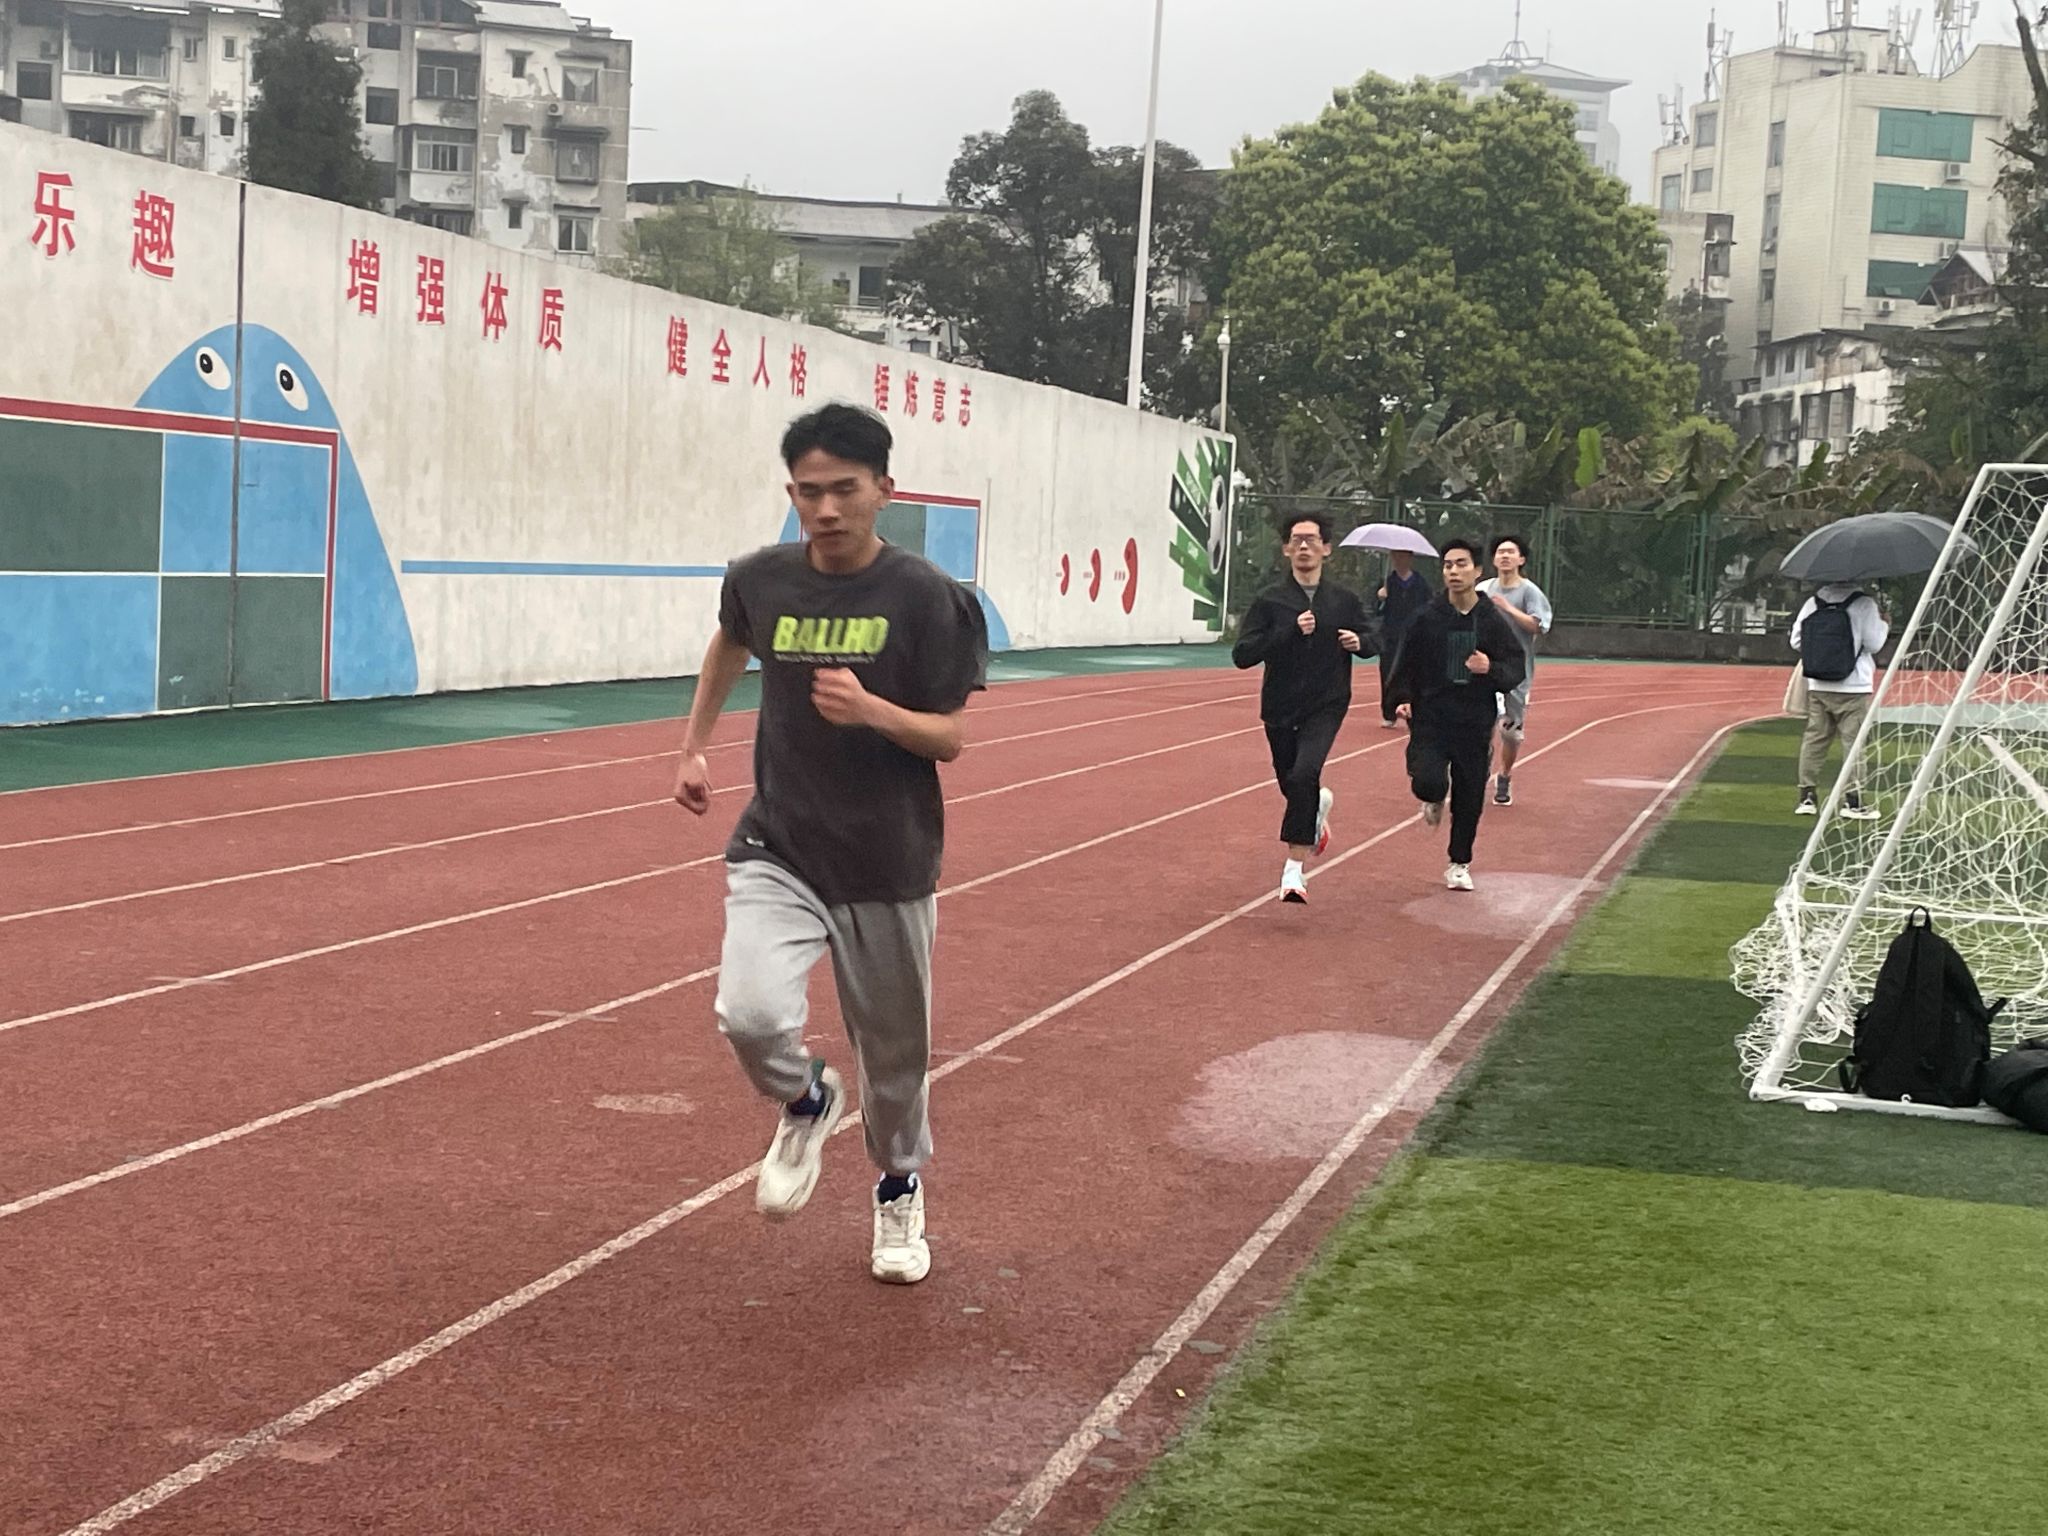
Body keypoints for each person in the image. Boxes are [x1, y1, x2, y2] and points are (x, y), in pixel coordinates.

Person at [672, 403, 989, 1285]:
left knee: (894, 1062)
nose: (826, 509)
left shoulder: (925, 597)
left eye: (844, 490)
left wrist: (872, 710)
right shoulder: (762, 580)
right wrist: (693, 746)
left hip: (888, 861)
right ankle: (806, 1097)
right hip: (781, 843)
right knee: (750, 1013)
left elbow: (949, 738)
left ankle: (898, 1189)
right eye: (808, 493)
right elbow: (731, 641)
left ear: (884, 490)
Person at [1232, 513, 1378, 903]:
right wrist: (1289, 631)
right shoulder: (1270, 601)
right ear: (1285, 549)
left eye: (1311, 540)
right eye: (1296, 540)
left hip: (1326, 702)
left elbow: (1373, 637)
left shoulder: (1343, 600)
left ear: (1326, 548)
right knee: (1292, 783)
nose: (1303, 547)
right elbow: (1243, 655)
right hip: (1280, 705)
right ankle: (1315, 815)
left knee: (1304, 773)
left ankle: (1293, 871)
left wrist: (1360, 643)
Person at [1385, 537, 1526, 891]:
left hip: (1474, 719)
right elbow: (1404, 661)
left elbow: (1515, 666)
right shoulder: (1426, 618)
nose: (1454, 571)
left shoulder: (1491, 621)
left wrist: (1490, 667)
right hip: (1431, 716)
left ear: (1477, 571)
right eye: (1448, 565)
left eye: (1461, 564)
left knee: (1469, 794)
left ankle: (1459, 863)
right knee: (1428, 781)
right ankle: (1432, 798)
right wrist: (1402, 697)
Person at [1789, 582, 1888, 821]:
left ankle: (1807, 797)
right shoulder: (1864, 604)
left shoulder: (1814, 602)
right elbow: (1874, 644)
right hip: (1854, 684)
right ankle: (1852, 801)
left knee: (1814, 740)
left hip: (1818, 682)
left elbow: (1796, 641)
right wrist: (1884, 624)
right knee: (1854, 744)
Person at [1476, 534, 1554, 806]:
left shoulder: (1529, 592)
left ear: (1521, 559)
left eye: (1511, 552)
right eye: (1500, 552)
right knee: (1481, 724)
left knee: (1510, 732)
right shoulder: (1483, 589)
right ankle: (1479, 767)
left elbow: (1538, 626)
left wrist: (1508, 607)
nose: (1505, 556)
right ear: (1494, 559)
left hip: (1516, 672)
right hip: (1485, 668)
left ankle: (1505, 775)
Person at [1376, 549, 1433, 728]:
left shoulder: (1421, 583)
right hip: (1391, 636)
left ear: (1410, 558)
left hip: (1414, 635)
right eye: (1395, 556)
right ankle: (1389, 712)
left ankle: (1412, 712)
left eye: (1402, 556)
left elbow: (1429, 607)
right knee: (1388, 672)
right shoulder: (1386, 583)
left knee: (1413, 673)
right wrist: (1380, 599)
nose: (1398, 560)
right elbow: (1376, 611)